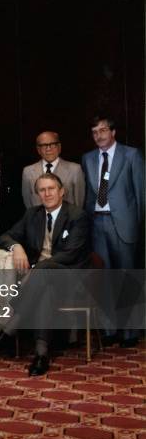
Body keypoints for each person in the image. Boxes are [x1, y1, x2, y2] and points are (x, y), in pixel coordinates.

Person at [0, 173, 90, 376]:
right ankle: (41, 355)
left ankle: (9, 330)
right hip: (41, 282)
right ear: (38, 195)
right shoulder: (32, 214)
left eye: (51, 188)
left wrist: (39, 269)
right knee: (45, 288)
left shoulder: (77, 215)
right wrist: (16, 247)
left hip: (70, 278)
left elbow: (71, 255)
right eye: (42, 190)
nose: (47, 193)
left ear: (62, 191)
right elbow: (5, 236)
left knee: (43, 271)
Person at [81, 115, 144, 347]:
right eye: (95, 131)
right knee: (103, 278)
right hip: (97, 223)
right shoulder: (87, 158)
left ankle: (129, 333)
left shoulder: (131, 155)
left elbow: (141, 194)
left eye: (103, 130)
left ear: (113, 132)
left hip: (124, 224)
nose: (99, 135)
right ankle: (109, 330)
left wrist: (135, 225)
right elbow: (89, 195)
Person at [22, 131, 85, 208]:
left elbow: (79, 203)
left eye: (52, 144)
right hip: (38, 219)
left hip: (67, 219)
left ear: (59, 147)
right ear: (38, 150)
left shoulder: (75, 170)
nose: (48, 149)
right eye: (44, 145)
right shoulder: (28, 172)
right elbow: (28, 203)